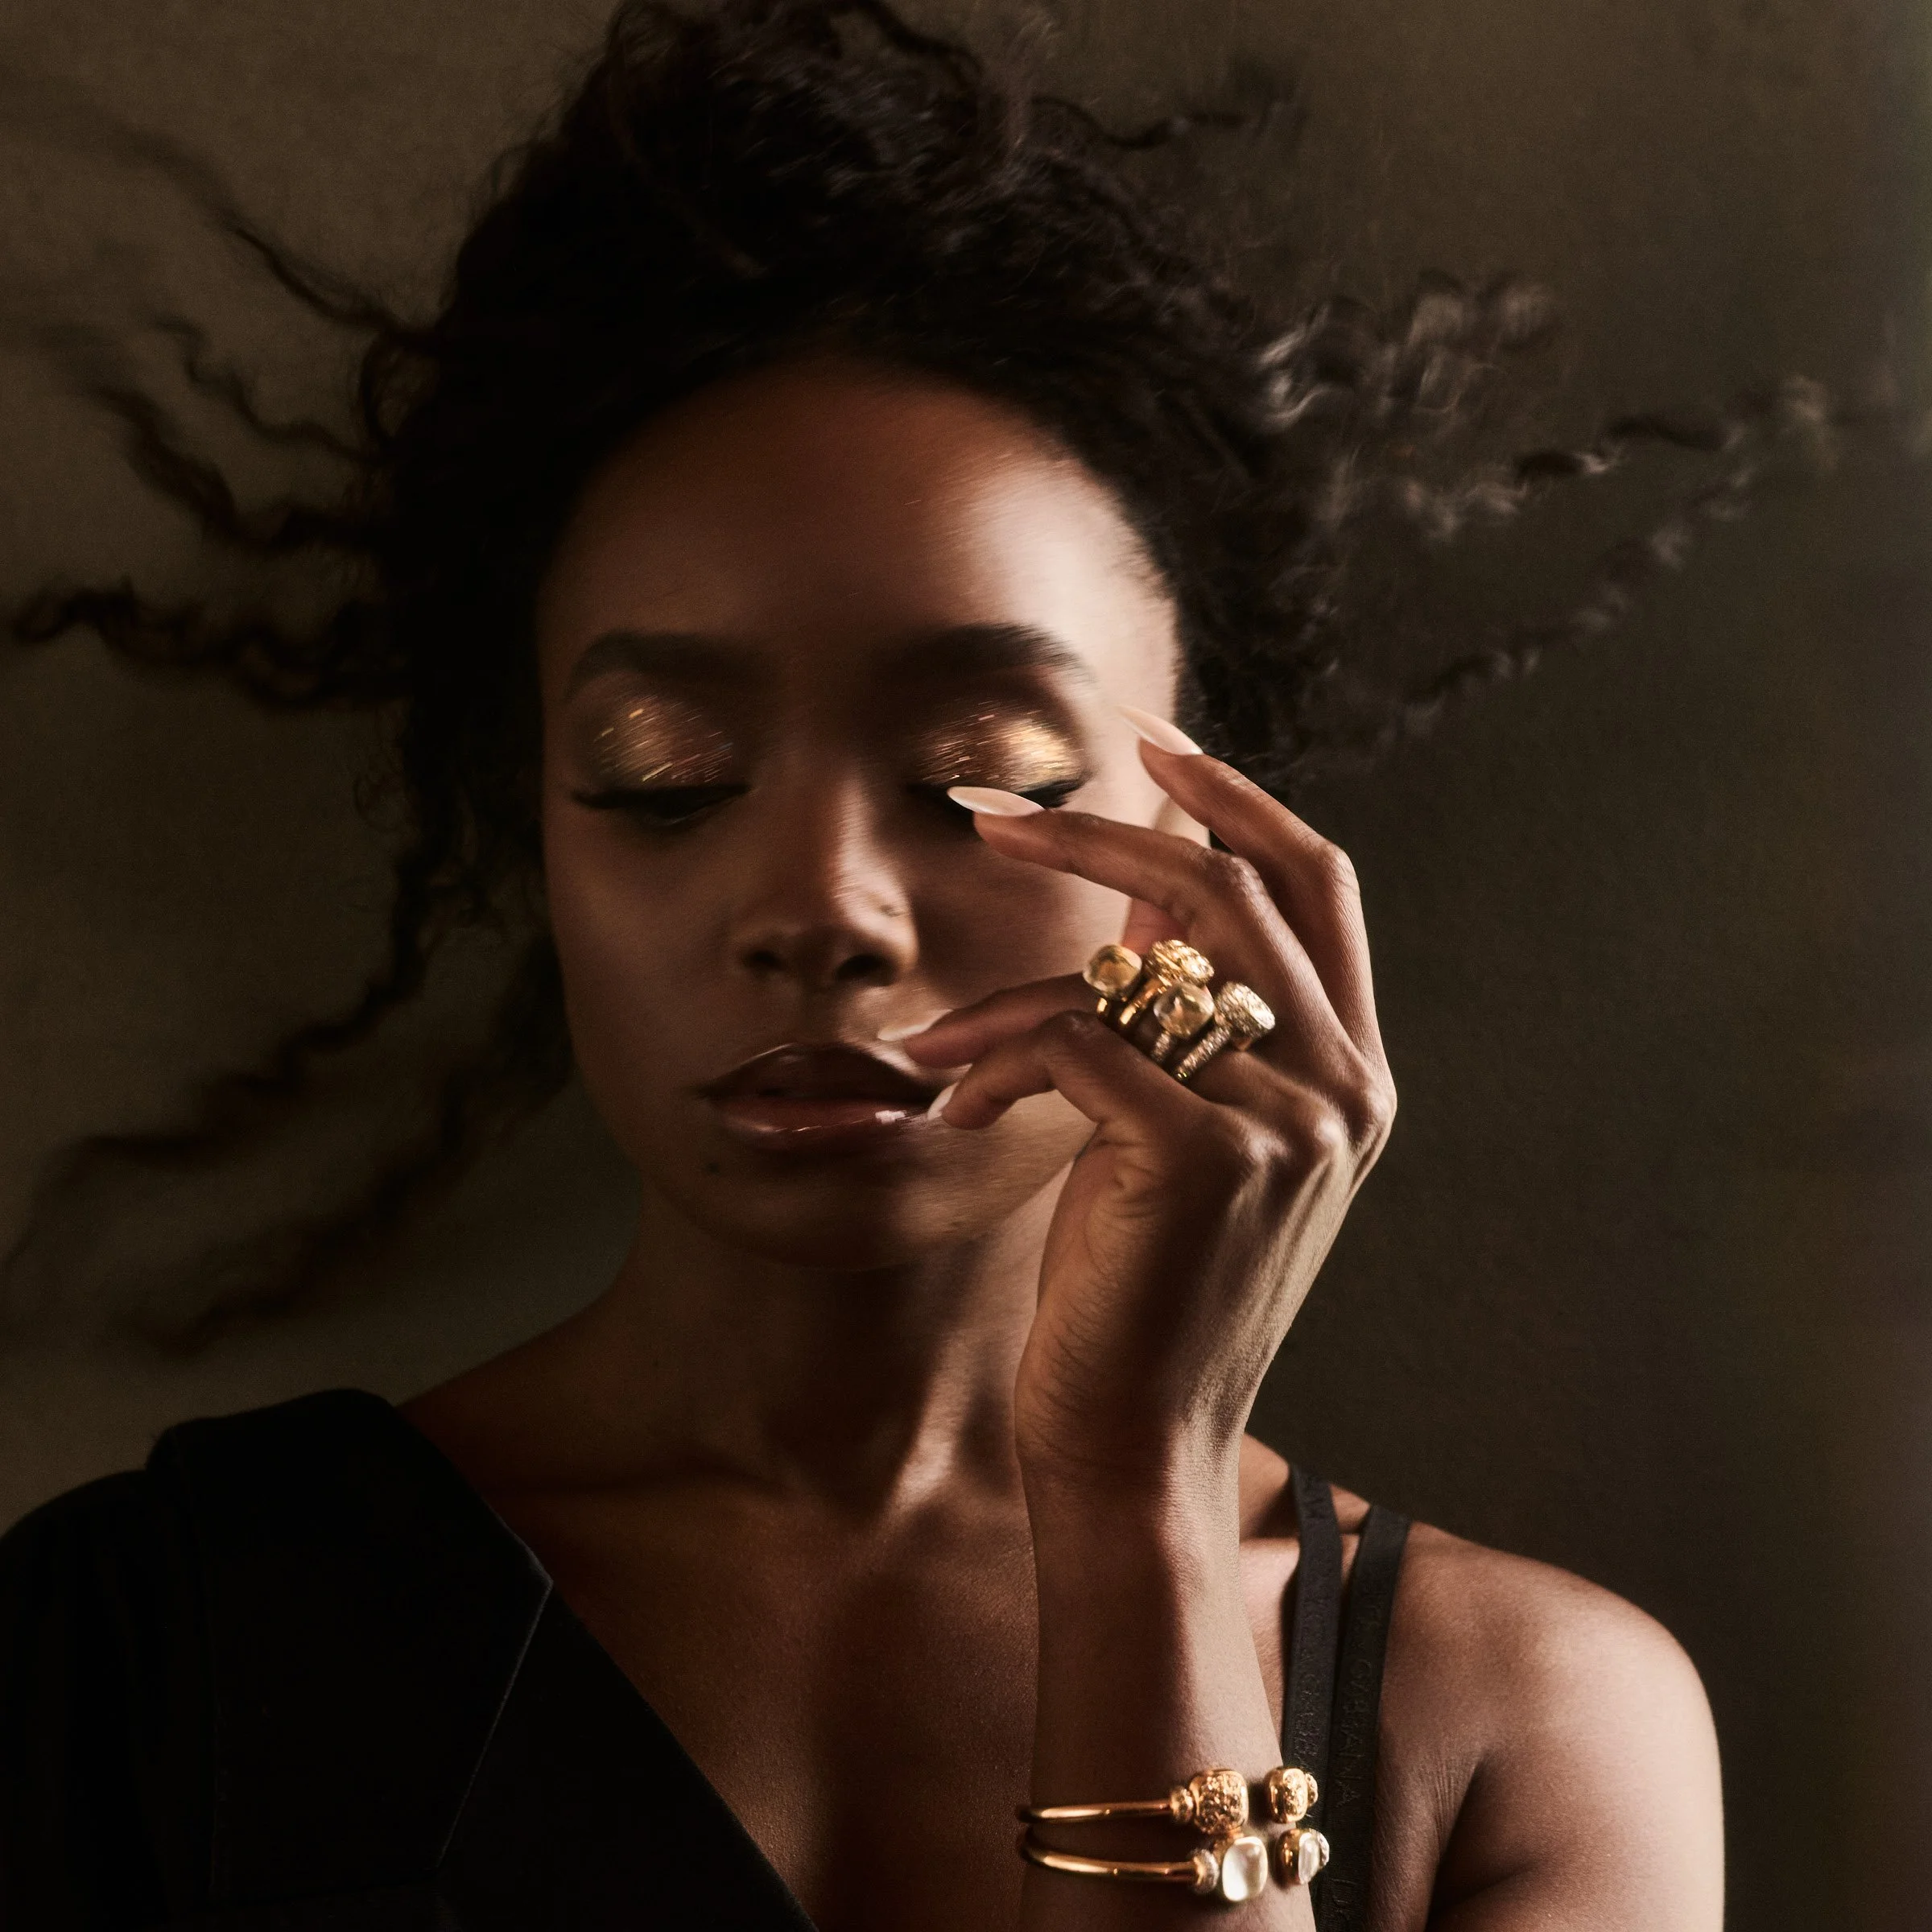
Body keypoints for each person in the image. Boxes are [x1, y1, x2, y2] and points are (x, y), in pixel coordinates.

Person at [0, 1, 1725, 1926]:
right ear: (534, 829)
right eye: (667, 778)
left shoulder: (1518, 1723)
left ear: (1205, 840)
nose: (822, 903)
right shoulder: (133, 1656)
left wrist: (1138, 1489)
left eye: (982, 776)